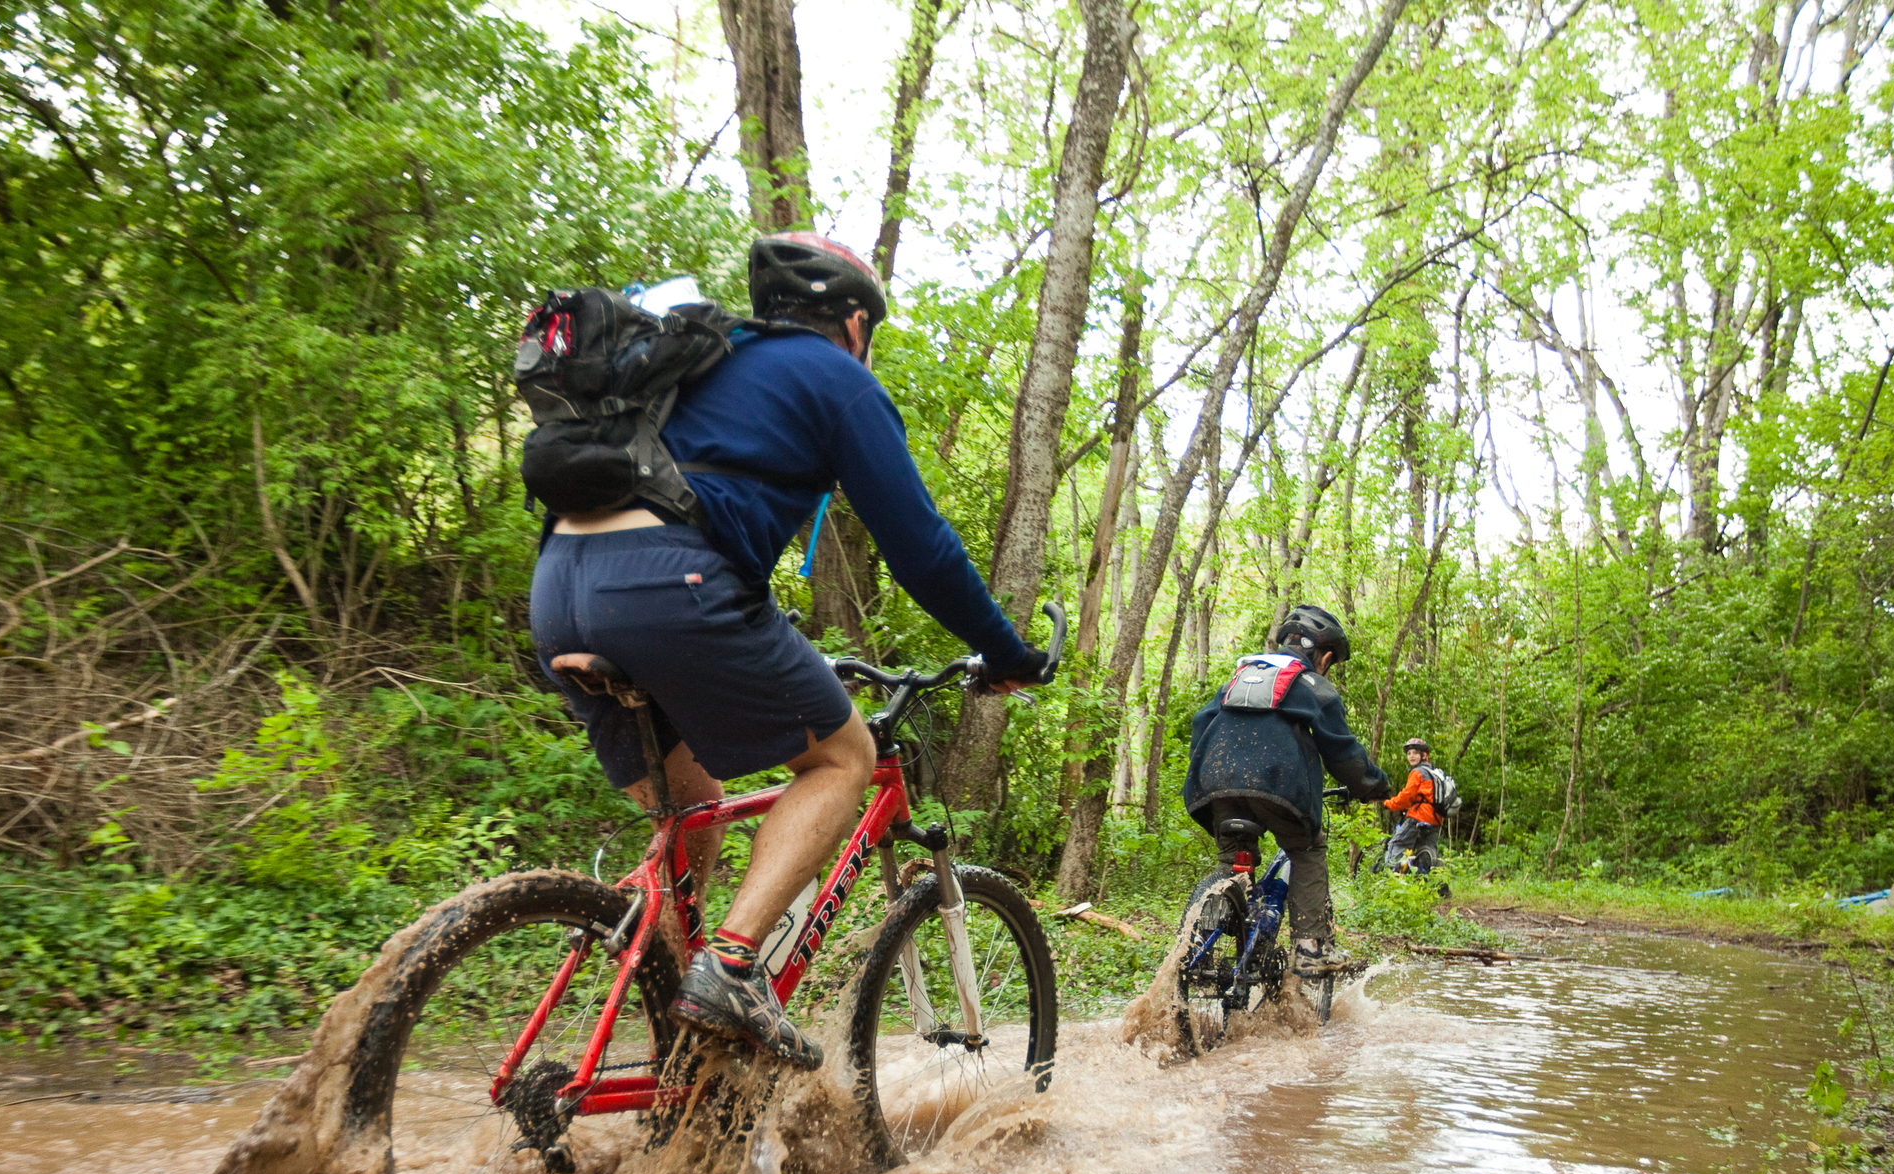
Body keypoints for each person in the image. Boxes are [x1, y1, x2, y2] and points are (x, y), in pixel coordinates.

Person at [529, 232, 1049, 1070]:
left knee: (690, 804)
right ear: (853, 322)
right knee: (845, 755)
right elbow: (921, 547)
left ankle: (679, 1047)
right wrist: (1005, 650)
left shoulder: (695, 362)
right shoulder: (833, 376)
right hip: (672, 585)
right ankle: (731, 965)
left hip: (558, 591)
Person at [1178, 604, 1390, 973]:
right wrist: (1374, 787)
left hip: (1214, 784)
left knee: (1233, 866)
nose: (1329, 668)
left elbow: (1201, 725)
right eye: (1331, 660)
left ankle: (1196, 946)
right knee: (1308, 846)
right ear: (1322, 655)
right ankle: (1310, 948)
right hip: (1276, 787)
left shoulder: (1239, 677)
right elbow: (1341, 751)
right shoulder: (1312, 684)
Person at [1380, 738, 1444, 874]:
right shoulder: (1434, 773)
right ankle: (1439, 885)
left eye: (1415, 753)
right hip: (1436, 818)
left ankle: (1389, 878)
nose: (1411, 756)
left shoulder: (1417, 772)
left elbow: (1406, 796)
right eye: (1409, 753)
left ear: (1424, 755)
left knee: (1396, 843)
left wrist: (1389, 804)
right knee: (1427, 849)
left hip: (1419, 816)